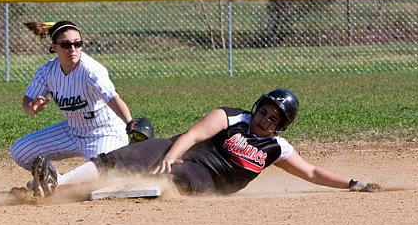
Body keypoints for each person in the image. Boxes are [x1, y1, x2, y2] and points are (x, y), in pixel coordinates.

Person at [25, 88, 380, 198]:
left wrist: (352, 183)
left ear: (280, 126)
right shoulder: (230, 116)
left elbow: (313, 171)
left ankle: (77, 195)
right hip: (179, 149)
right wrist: (169, 156)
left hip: (209, 180)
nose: (264, 118)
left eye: (274, 118)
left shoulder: (278, 149)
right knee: (125, 156)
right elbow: (194, 135)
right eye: (264, 111)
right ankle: (57, 184)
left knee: (170, 183)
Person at [10, 20, 140, 179]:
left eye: (77, 44)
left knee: (104, 175)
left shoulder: (91, 70)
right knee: (21, 151)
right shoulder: (47, 71)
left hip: (104, 132)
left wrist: (129, 122)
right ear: (54, 47)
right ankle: (53, 179)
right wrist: (31, 107)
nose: (72, 49)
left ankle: (60, 184)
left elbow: (112, 98)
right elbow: (27, 101)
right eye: (65, 45)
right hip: (72, 130)